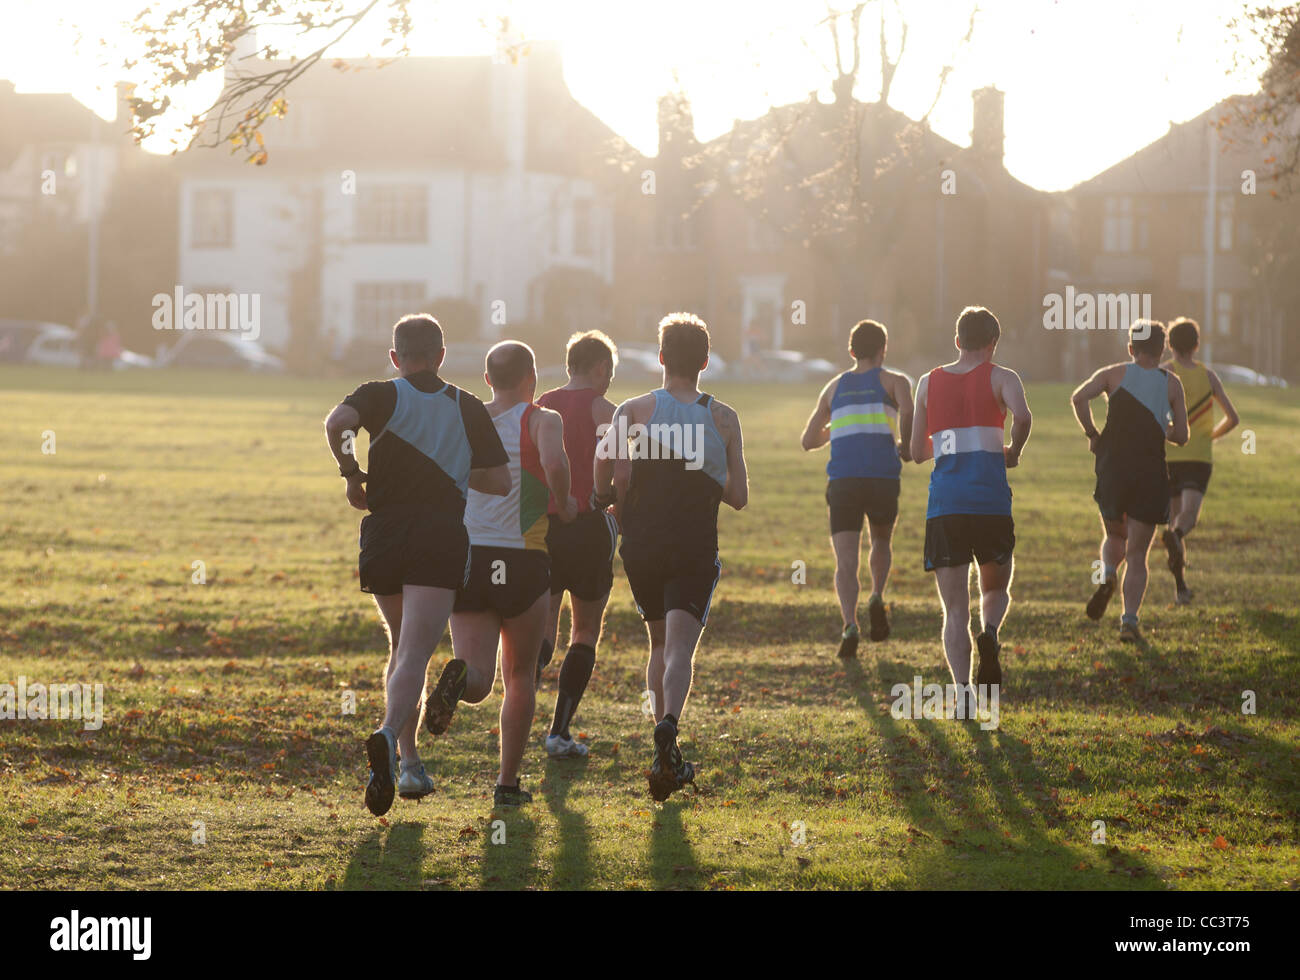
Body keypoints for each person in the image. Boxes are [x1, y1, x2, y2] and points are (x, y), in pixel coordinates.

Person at [324, 314, 510, 817]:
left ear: (395, 357)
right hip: (436, 536)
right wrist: (448, 463)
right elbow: (499, 482)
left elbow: (337, 424)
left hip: (383, 533)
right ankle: (388, 739)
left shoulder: (380, 393)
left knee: (400, 648)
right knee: (414, 653)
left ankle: (409, 765)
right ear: (442, 356)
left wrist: (351, 473)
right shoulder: (466, 406)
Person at [594, 313, 748, 802]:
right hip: (694, 544)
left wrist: (606, 499)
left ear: (661, 357)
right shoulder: (724, 418)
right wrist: (699, 469)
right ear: (705, 362)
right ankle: (668, 728)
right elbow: (739, 495)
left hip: (641, 544)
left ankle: (662, 742)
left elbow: (610, 470)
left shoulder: (633, 411)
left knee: (657, 642)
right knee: (681, 647)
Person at [430, 341, 578, 807]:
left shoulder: (464, 417)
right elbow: (555, 463)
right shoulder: (542, 419)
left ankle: (458, 678)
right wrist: (566, 503)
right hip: (523, 559)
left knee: (477, 679)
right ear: (532, 379)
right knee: (518, 675)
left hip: (470, 556)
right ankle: (506, 785)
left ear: (488, 379)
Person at [910, 306, 1032, 702]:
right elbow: (1024, 417)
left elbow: (916, 451)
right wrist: (1012, 450)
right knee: (995, 589)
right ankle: (991, 633)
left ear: (957, 341)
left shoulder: (928, 383)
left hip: (946, 506)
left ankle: (963, 695)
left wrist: (950, 440)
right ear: (993, 344)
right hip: (991, 503)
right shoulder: (1003, 377)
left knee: (954, 610)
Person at [800, 319, 913, 657]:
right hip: (882, 476)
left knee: (845, 561)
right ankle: (877, 594)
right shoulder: (895, 381)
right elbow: (907, 410)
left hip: (843, 480)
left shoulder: (833, 388)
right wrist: (905, 445)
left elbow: (808, 440)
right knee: (881, 541)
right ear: (883, 350)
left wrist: (839, 426)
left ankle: (849, 624)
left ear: (851, 351)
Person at [1071, 320, 1188, 643]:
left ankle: (1108, 575)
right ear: (1162, 349)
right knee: (1138, 554)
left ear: (1131, 348)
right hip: (1150, 471)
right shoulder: (1171, 384)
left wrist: (1092, 434)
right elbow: (1182, 435)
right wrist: (1157, 425)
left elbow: (1079, 398)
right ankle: (1129, 621)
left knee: (1114, 535)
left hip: (1113, 467)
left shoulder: (1113, 373)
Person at [536, 331, 620, 759]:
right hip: (589, 525)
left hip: (544, 527)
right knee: (584, 631)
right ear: (601, 368)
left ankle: (522, 696)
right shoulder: (605, 409)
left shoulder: (540, 405)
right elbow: (623, 471)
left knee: (542, 627)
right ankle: (559, 732)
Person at [1159, 317, 1239, 604]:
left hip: (1169, 456)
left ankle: (1181, 588)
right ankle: (1178, 536)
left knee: (1173, 518)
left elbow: (1150, 412)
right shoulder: (1209, 376)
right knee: (1187, 519)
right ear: (1197, 344)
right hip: (1198, 457)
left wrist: (1167, 433)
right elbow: (1234, 418)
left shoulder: (1163, 373)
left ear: (1169, 344)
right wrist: (1211, 436)